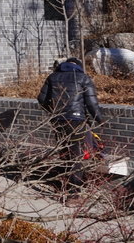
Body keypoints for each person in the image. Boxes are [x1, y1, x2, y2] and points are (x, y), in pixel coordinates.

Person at [37, 57, 103, 199]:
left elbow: (41, 99)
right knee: (76, 157)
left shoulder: (52, 77)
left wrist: (53, 111)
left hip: (58, 121)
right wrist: (100, 120)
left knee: (64, 153)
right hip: (76, 122)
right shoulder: (83, 78)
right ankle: (73, 194)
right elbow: (92, 104)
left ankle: (62, 186)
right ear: (78, 66)